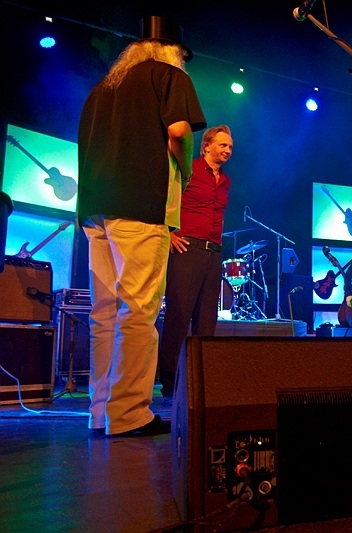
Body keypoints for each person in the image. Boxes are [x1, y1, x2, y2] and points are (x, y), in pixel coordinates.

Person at [77, 16, 206, 436]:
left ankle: (101, 412)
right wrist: (186, 171)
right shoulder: (169, 76)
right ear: (173, 52)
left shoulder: (103, 87)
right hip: (141, 205)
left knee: (104, 313)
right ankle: (130, 413)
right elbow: (179, 132)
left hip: (95, 208)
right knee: (138, 309)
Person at [157, 125, 233, 405]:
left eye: (230, 146)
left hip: (213, 252)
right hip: (187, 248)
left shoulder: (225, 181)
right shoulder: (189, 168)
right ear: (206, 146)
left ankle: (201, 381)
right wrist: (169, 232)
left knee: (206, 319)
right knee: (178, 315)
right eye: (223, 145)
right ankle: (169, 383)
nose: (227, 150)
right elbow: (165, 197)